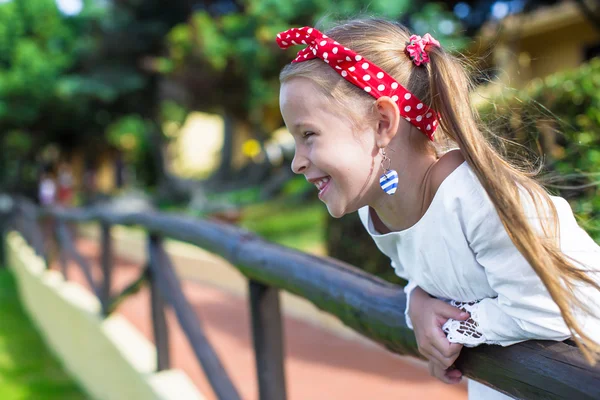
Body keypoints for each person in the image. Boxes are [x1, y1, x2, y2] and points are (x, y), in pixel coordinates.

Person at [275, 18, 600, 399]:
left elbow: (553, 308)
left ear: (383, 122)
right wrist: (417, 300)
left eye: (309, 135)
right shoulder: (376, 209)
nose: (296, 162)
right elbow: (423, 272)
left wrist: (448, 328)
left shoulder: (480, 202)